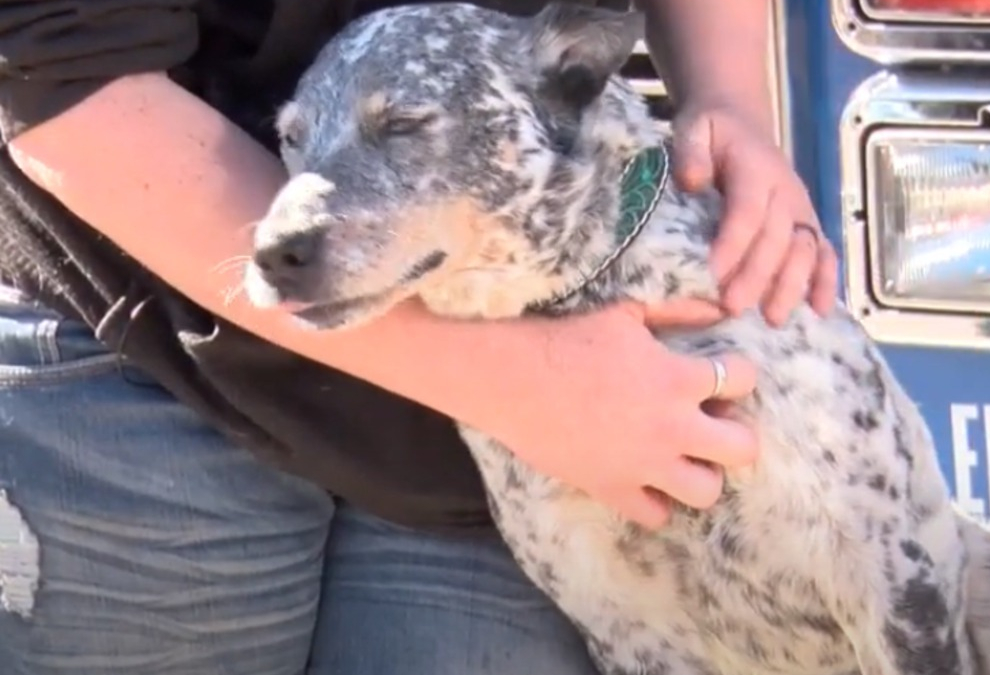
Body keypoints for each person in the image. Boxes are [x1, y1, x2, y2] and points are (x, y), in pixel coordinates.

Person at [0, 0, 837, 673]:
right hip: (147, 371)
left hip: (516, 394)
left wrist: (729, 98)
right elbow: (62, 74)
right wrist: (517, 384)